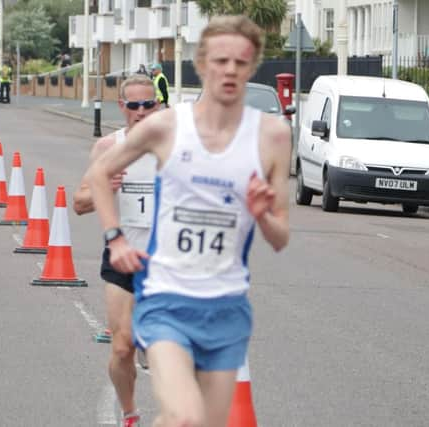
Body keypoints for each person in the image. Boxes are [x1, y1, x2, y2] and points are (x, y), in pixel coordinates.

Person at [87, 15, 291, 427]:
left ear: (252, 68)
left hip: (226, 305)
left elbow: (281, 236)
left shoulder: (273, 136)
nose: (230, 70)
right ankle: (131, 413)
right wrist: (116, 238)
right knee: (184, 416)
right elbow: (97, 175)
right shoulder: (167, 126)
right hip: (166, 297)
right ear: (201, 64)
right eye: (220, 60)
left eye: (241, 62)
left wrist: (263, 215)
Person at [73, 75, 159, 427]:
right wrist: (102, 188)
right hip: (121, 258)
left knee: (160, 355)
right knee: (121, 347)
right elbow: (79, 203)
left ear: (158, 105)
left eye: (148, 104)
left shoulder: (175, 147)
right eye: (134, 105)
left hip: (164, 263)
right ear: (122, 107)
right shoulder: (108, 148)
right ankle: (130, 414)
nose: (141, 112)